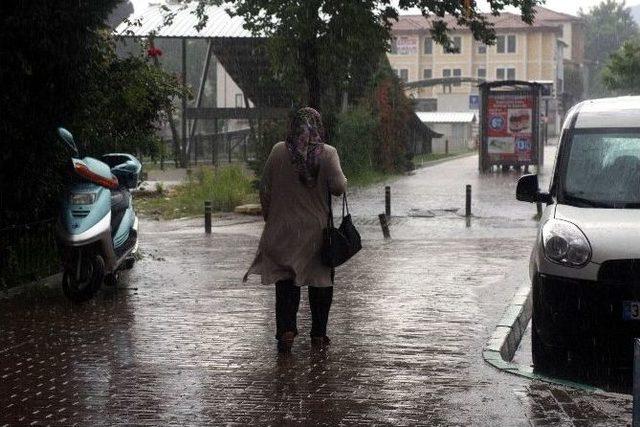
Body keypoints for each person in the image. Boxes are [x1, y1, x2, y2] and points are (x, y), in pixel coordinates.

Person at [243, 107, 347, 353]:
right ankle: (319, 335)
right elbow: (339, 187)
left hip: (283, 230)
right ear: (318, 126)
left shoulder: (279, 151)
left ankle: (287, 331)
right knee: (321, 282)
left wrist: (270, 216)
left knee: (286, 282)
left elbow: (265, 186)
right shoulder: (327, 154)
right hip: (315, 233)